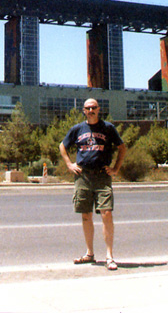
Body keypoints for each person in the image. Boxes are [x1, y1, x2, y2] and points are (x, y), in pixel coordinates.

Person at [59, 98, 127, 270]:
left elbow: (122, 147)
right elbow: (62, 145)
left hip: (102, 176)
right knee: (86, 215)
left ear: (99, 109)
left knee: (106, 214)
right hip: (83, 176)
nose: (91, 110)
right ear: (84, 110)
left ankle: (109, 257)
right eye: (88, 108)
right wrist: (69, 164)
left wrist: (116, 168)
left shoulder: (108, 128)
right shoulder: (77, 129)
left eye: (94, 108)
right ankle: (89, 254)